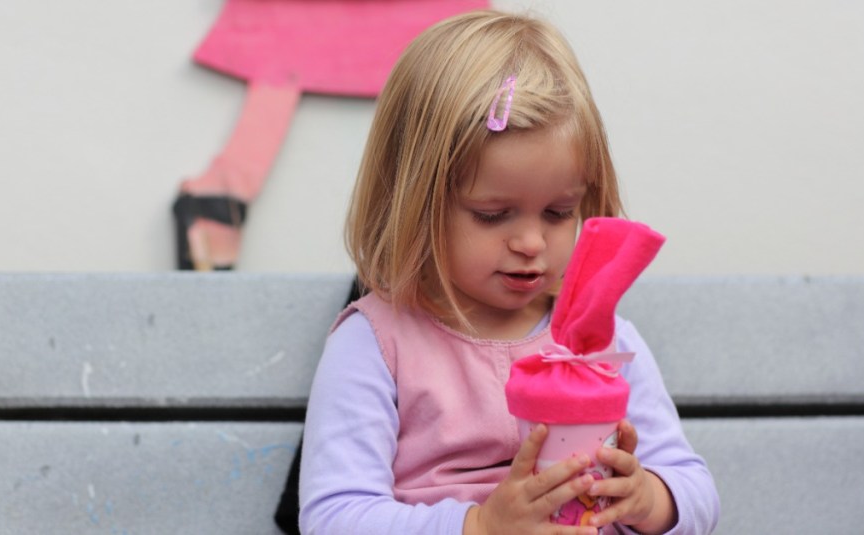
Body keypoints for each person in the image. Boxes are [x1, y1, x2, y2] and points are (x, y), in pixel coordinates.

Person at [299, 9, 719, 535]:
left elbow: (695, 488)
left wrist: (647, 497)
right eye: (492, 215)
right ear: (414, 203)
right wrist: (480, 526)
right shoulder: (378, 345)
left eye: (559, 212)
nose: (530, 243)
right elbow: (334, 518)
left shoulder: (601, 345)